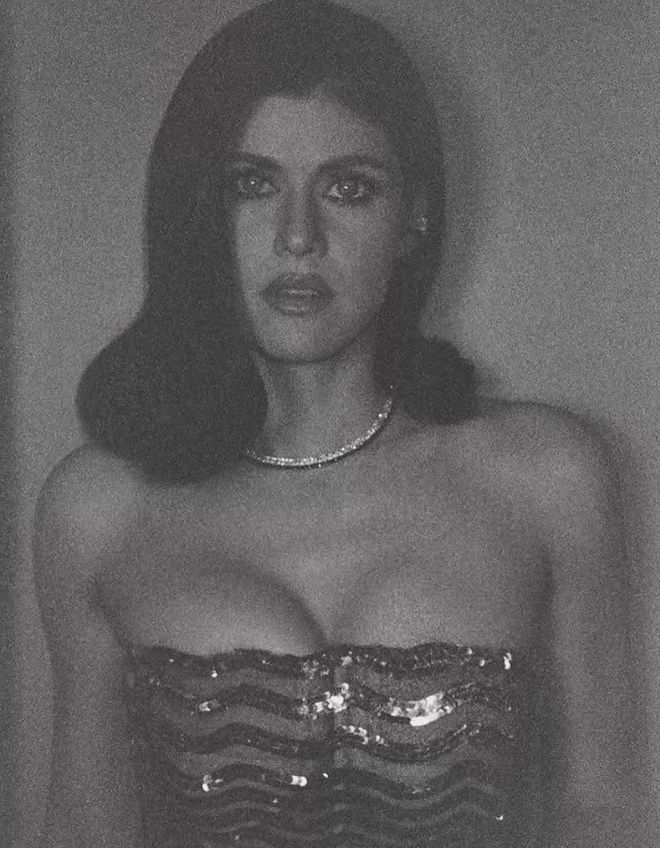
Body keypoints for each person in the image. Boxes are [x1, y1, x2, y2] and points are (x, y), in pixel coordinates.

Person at [34, 1, 637, 846]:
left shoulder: (548, 477)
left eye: (348, 189)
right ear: (196, 212)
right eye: (252, 185)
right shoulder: (99, 511)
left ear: (414, 215)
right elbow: (84, 831)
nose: (298, 237)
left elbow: (606, 812)